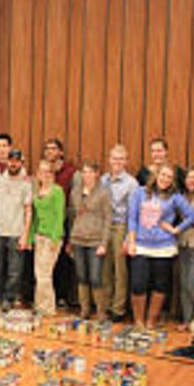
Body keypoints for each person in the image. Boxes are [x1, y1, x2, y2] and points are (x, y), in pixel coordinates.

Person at [126, 164, 194, 328]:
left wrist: (176, 229)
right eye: (163, 175)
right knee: (138, 284)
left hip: (164, 248)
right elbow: (132, 219)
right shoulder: (139, 192)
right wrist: (131, 241)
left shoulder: (175, 197)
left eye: (169, 177)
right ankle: (139, 321)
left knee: (160, 285)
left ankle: (151, 321)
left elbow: (193, 216)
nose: (165, 179)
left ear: (172, 181)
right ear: (157, 175)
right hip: (141, 245)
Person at [0, 150, 32, 309]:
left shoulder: (26, 183)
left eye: (16, 161)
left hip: (16, 232)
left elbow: (28, 210)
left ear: (21, 162)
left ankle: (9, 297)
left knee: (15, 271)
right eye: (10, 160)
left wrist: (25, 235)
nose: (13, 164)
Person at [68, 161, 112, 320]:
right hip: (78, 238)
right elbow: (73, 215)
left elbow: (108, 219)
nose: (86, 175)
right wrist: (70, 240)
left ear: (96, 173)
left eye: (89, 172)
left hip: (95, 240)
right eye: (83, 172)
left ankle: (101, 311)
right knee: (81, 276)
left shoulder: (104, 193)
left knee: (95, 277)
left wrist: (104, 243)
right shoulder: (76, 191)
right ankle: (84, 309)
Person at [101, 144, 139, 322]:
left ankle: (118, 309)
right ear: (109, 160)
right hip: (105, 227)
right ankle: (106, 305)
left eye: (121, 159)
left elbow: (133, 212)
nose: (117, 162)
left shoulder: (131, 183)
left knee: (120, 270)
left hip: (121, 226)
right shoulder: (103, 180)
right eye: (114, 158)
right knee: (105, 269)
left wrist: (128, 238)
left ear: (126, 161)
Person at [43, 138, 78, 309]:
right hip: (44, 223)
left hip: (62, 221)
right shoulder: (42, 171)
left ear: (61, 152)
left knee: (62, 262)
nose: (50, 152)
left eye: (54, 149)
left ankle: (62, 297)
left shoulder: (71, 172)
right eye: (47, 149)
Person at [29, 160, 65, 316]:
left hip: (52, 238)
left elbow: (60, 216)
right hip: (39, 236)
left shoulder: (57, 191)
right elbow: (35, 218)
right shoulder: (37, 191)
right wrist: (31, 238)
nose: (44, 175)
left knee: (45, 275)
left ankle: (49, 308)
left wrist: (55, 238)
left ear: (52, 174)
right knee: (39, 274)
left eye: (47, 172)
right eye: (41, 171)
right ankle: (39, 305)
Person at [177, 166, 194, 331]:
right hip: (182, 243)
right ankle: (187, 319)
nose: (192, 181)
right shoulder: (181, 196)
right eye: (189, 177)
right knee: (184, 284)